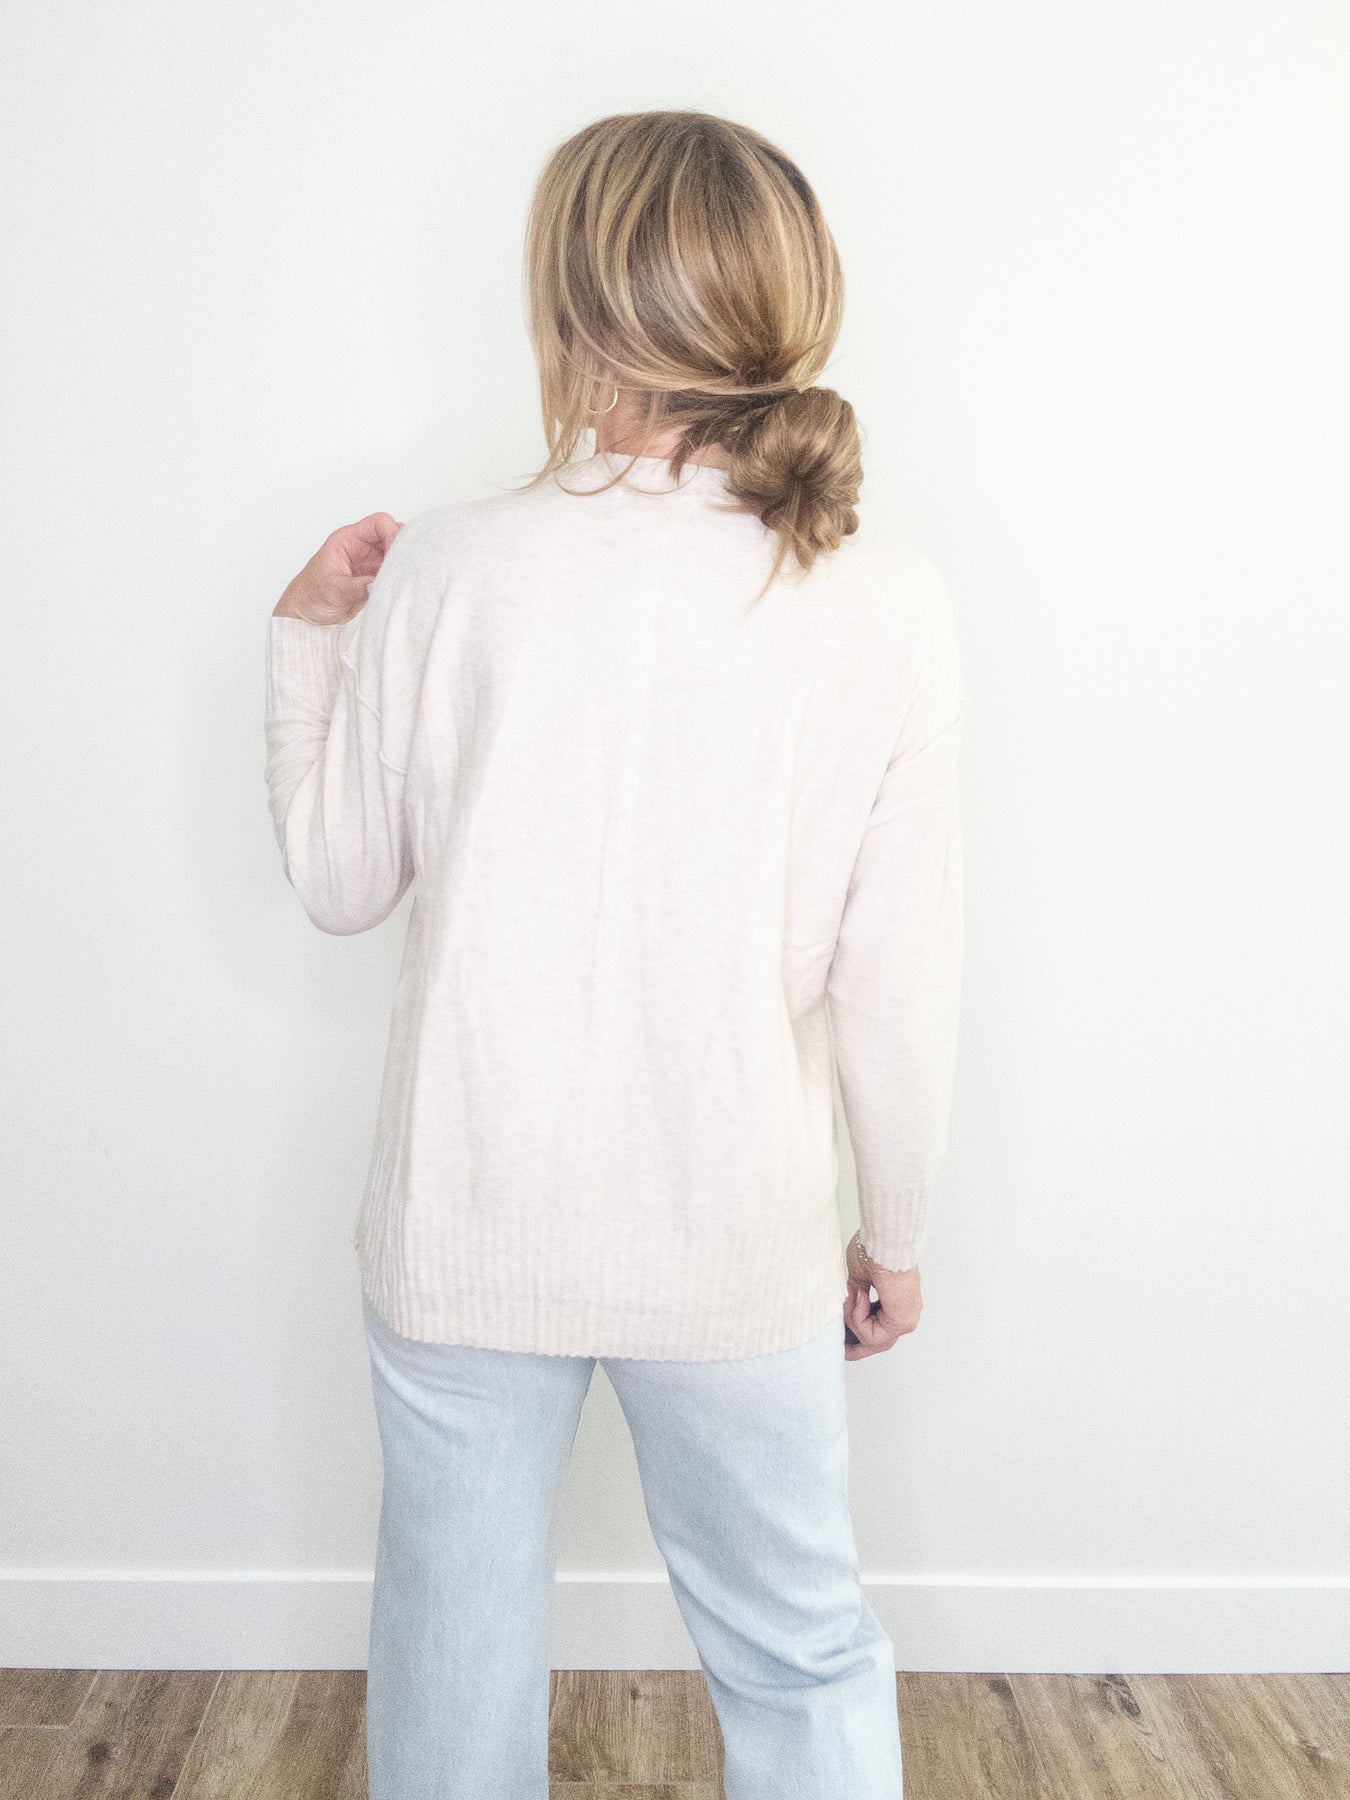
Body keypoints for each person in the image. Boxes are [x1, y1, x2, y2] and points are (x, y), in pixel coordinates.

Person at [264, 109, 965, 1800]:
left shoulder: (454, 566)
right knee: (798, 1651)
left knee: (453, 1641)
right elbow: (896, 980)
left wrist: (305, 642)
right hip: (735, 1234)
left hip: (465, 1215)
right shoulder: (879, 600)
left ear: (571, 303)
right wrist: (892, 1232)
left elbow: (340, 885)